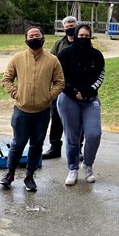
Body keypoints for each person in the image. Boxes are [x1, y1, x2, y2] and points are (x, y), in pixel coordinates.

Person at [0, 27, 65, 192]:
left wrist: (49, 96)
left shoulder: (52, 60)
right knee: (18, 143)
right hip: (21, 110)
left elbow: (60, 82)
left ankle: (29, 176)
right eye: (31, 36)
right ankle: (9, 174)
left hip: (42, 111)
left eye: (37, 35)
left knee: (36, 145)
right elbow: (7, 79)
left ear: (43, 38)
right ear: (26, 39)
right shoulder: (18, 58)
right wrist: (16, 94)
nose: (34, 38)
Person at [56, 25, 105, 185]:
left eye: (87, 35)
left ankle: (88, 165)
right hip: (68, 99)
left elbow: (100, 75)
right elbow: (59, 76)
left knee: (94, 134)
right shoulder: (65, 53)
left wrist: (88, 91)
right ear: (76, 36)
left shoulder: (96, 55)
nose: (83, 38)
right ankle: (73, 168)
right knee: (72, 137)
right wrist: (73, 92)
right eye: (81, 35)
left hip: (90, 100)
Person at [43, 16, 78, 160]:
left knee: (77, 119)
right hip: (60, 85)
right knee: (56, 117)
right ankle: (54, 147)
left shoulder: (83, 41)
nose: (70, 27)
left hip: (77, 86)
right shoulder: (58, 44)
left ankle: (78, 149)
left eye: (72, 25)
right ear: (64, 28)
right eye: (67, 26)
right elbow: (50, 61)